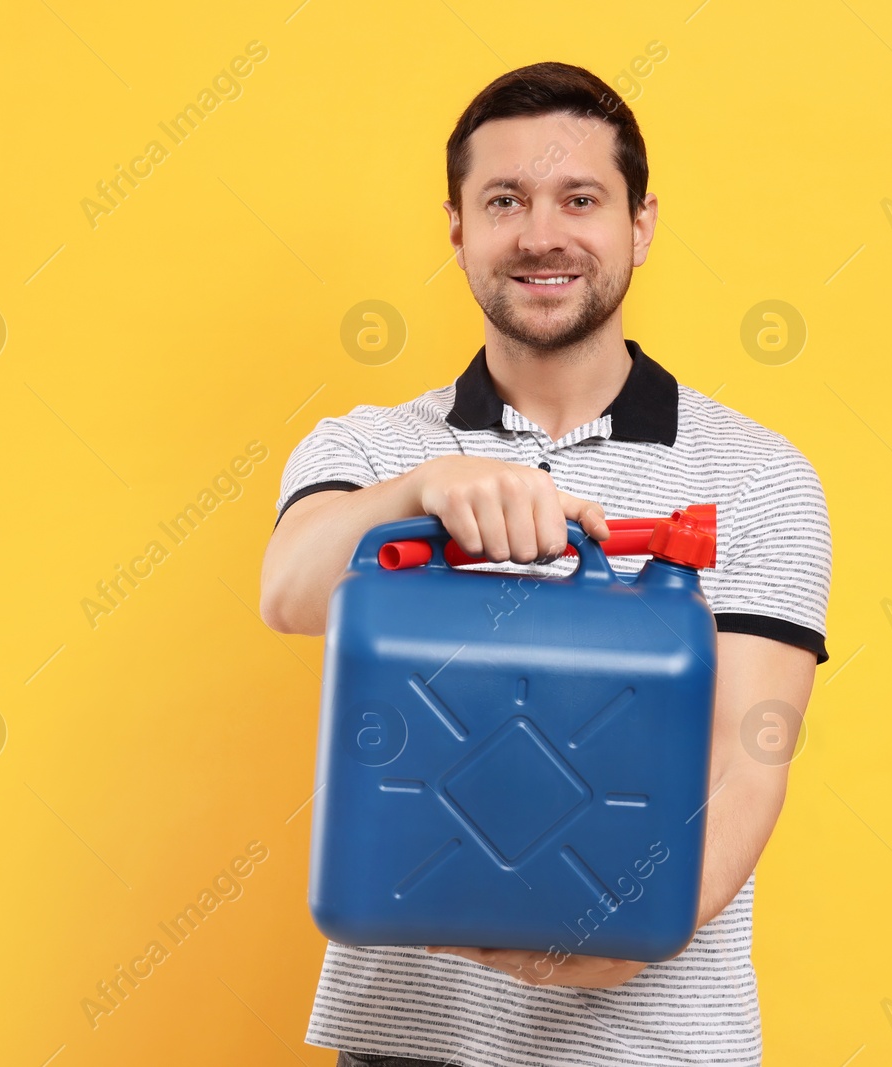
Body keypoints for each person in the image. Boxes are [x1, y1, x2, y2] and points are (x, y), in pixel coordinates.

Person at [260, 60, 832, 1067]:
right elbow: (288, 590)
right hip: (407, 1041)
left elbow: (749, 749)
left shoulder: (757, 475)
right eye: (504, 201)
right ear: (457, 229)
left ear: (639, 224)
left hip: (652, 1041)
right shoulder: (369, 450)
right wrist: (422, 491)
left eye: (580, 199)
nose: (540, 234)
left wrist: (633, 933)